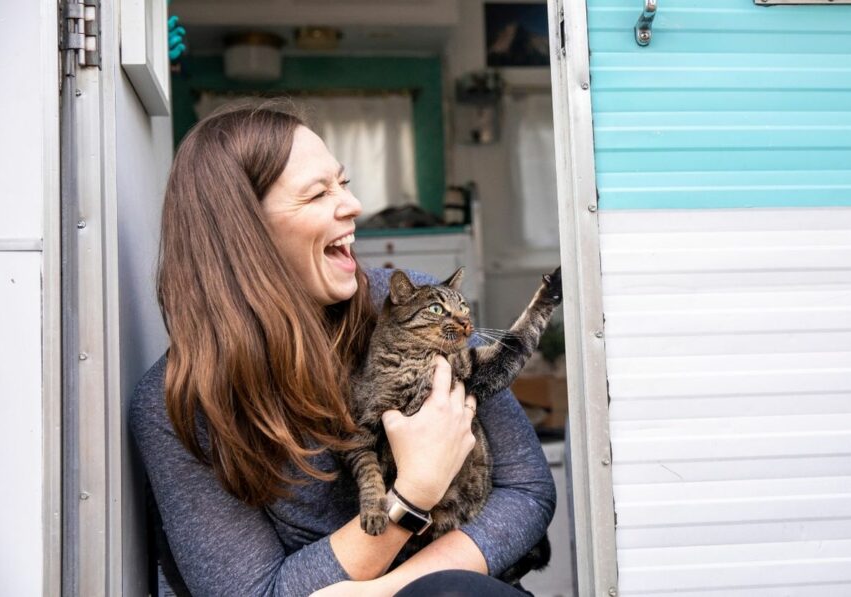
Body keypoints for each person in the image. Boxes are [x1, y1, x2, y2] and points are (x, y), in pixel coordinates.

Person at [129, 106, 556, 597]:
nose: (353, 204)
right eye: (318, 193)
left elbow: (527, 491)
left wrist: (386, 589)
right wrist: (412, 493)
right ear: (243, 234)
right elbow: (254, 592)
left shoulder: (411, 307)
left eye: (344, 182)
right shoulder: (174, 406)